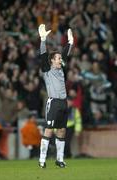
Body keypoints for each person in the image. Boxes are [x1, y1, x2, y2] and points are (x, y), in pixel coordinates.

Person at [38, 24, 74, 168]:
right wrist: (42, 40)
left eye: (60, 58)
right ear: (52, 60)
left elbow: (65, 53)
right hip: (53, 103)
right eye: (58, 58)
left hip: (63, 103)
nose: (60, 60)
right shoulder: (47, 69)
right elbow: (42, 56)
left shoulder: (61, 67)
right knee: (49, 129)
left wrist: (70, 42)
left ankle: (59, 159)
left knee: (62, 130)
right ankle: (42, 160)